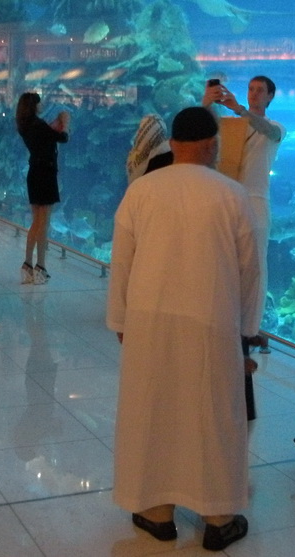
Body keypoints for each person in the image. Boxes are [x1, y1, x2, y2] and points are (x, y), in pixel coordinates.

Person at [107, 106, 260, 551]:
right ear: (213, 145)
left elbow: (122, 262)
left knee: (153, 409)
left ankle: (156, 511)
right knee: (212, 413)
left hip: (149, 319)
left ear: (172, 144)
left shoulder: (141, 192)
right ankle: (218, 516)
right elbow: (250, 270)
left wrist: (120, 320)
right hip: (212, 320)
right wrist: (247, 328)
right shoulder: (232, 195)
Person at [203, 75, 284, 352]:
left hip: (256, 201)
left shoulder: (276, 127)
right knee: (223, 261)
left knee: (255, 267)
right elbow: (204, 130)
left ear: (270, 96)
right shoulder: (232, 126)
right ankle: (222, 320)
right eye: (251, 89)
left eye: (260, 90)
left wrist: (239, 109)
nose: (254, 93)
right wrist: (207, 103)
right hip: (228, 198)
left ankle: (249, 329)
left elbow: (266, 130)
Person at [15, 91, 69, 285]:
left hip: (34, 173)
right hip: (46, 174)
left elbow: (47, 134)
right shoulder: (38, 125)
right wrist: (65, 122)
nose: (41, 105)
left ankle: (27, 266)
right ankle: (41, 268)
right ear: (33, 106)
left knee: (36, 222)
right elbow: (62, 138)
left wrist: (54, 124)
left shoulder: (26, 125)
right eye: (38, 103)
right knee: (43, 223)